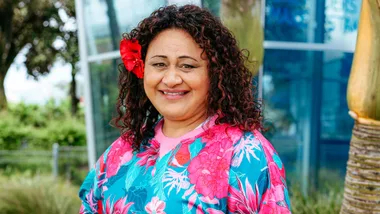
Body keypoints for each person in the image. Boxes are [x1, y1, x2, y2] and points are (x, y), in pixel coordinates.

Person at [79, 4, 291, 214]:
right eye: (159, 64)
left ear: (215, 74)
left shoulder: (246, 155)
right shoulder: (122, 150)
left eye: (187, 66)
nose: (171, 79)